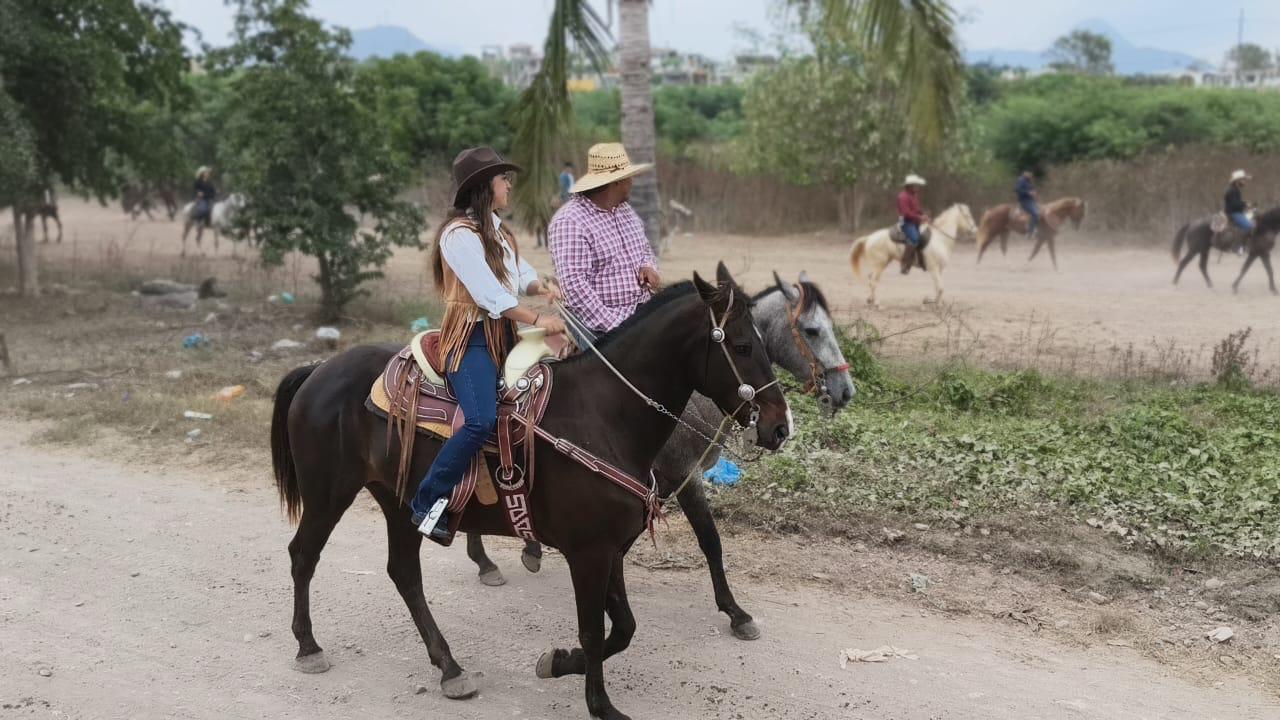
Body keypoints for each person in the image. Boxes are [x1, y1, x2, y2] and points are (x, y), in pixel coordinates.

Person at [411, 147, 565, 541]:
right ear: (484, 187)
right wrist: (538, 319)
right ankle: (427, 500)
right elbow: (490, 296)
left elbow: (520, 276)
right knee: (480, 420)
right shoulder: (457, 236)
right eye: (502, 179)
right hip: (471, 339)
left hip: (503, 336)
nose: (509, 185)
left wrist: (542, 286)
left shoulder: (499, 231)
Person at [549, 142, 661, 347]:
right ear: (616, 182)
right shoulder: (571, 221)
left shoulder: (625, 211)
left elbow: (644, 249)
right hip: (601, 326)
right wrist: (620, 328)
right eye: (629, 177)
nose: (632, 182)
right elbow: (574, 287)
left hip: (639, 313)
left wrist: (648, 266)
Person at [897, 174, 930, 274]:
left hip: (915, 222)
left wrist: (924, 214)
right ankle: (905, 264)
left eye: (917, 185)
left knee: (925, 236)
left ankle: (921, 261)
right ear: (909, 186)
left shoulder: (914, 195)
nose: (917, 187)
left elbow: (917, 209)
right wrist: (920, 218)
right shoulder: (902, 197)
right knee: (915, 239)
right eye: (915, 185)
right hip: (906, 222)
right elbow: (906, 213)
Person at [1225, 169, 1254, 255]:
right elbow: (1234, 204)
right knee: (1249, 226)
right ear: (1237, 181)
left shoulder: (1235, 190)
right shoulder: (1233, 191)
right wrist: (1245, 204)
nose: (1244, 181)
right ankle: (1237, 247)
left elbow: (1237, 203)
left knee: (1253, 221)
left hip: (1237, 212)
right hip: (1233, 214)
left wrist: (1245, 204)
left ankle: (1247, 245)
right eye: (1243, 180)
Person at [1015, 170, 1040, 237]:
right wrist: (1028, 193)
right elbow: (1017, 189)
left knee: (1042, 211)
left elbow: (1032, 189)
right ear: (1024, 173)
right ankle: (1030, 232)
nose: (1030, 174)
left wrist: (1034, 192)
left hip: (1031, 201)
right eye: (1029, 173)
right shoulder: (1021, 181)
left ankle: (1037, 229)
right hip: (1025, 201)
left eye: (1031, 173)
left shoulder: (1028, 181)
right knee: (1036, 214)